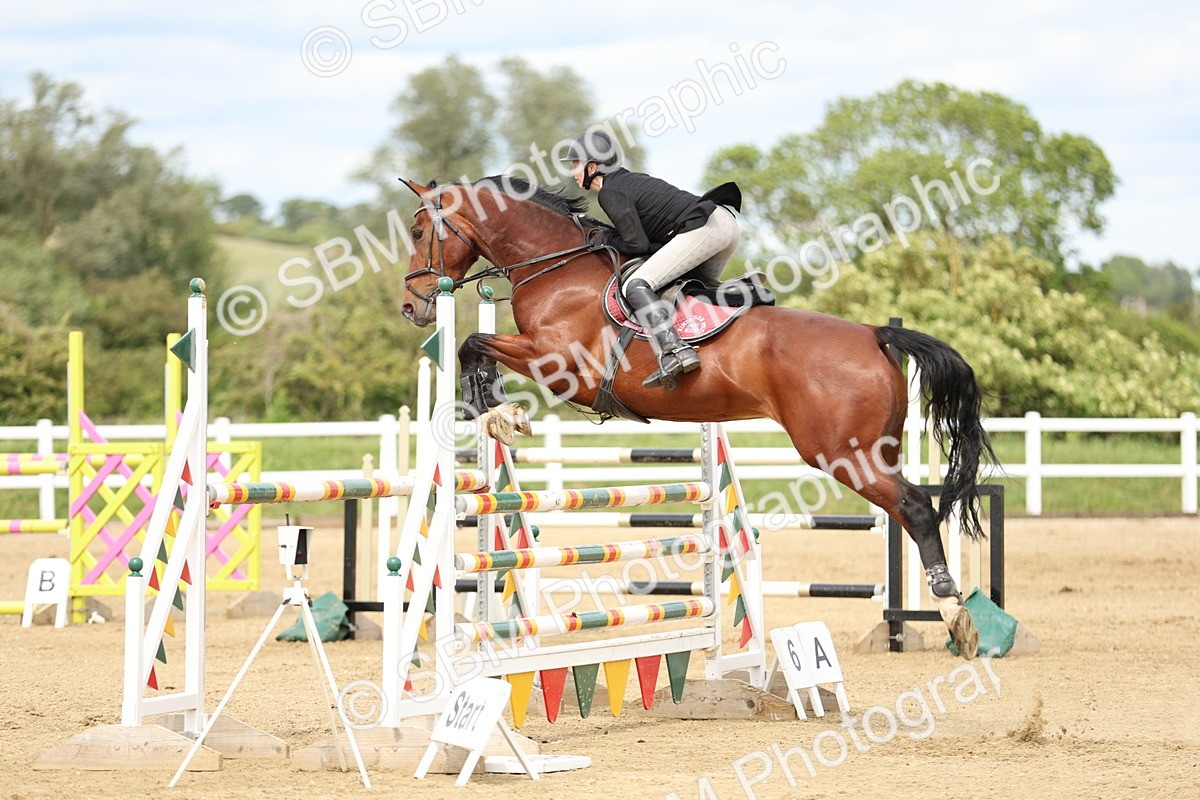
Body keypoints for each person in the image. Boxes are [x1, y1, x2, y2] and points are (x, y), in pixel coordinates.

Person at [563, 130, 741, 390]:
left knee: (635, 285)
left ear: (592, 167)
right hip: (723, 225)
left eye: (574, 165)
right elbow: (653, 245)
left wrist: (606, 239)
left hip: (706, 228)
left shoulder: (610, 192)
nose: (573, 173)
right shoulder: (627, 182)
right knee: (690, 288)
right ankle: (738, 294)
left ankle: (675, 351)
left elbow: (637, 245)